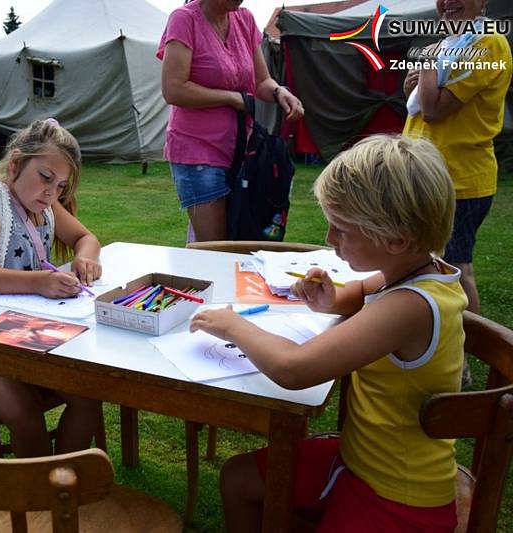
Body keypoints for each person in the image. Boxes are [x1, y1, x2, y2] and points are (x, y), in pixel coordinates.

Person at [190, 135, 467, 532]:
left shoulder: (412, 306)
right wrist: (328, 298)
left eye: (341, 230)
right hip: (361, 461)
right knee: (238, 478)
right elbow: (354, 296)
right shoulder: (415, 271)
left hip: (399, 497)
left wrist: (234, 325)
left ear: (396, 240)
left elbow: (294, 369)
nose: (329, 241)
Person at [0, 118, 103, 458]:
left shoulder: (46, 205)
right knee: (24, 412)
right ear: (16, 164)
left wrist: (85, 257)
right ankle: (34, 498)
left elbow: (85, 237)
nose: (51, 193)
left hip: (31, 341)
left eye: (61, 186)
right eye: (45, 177)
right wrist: (39, 283)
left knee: (89, 397)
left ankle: (65, 486)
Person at [402, 0, 512, 385]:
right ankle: (431, 342)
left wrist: (428, 65)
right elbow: (418, 98)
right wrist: (414, 79)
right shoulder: (455, 41)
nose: (447, 2)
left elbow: (434, 109)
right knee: (426, 262)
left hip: (459, 178)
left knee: (456, 267)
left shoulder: (488, 45)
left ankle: (463, 357)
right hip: (427, 172)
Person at [157, 0, 304, 242]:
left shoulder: (244, 19)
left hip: (241, 152)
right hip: (198, 152)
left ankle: (198, 277)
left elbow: (261, 82)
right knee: (216, 248)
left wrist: (280, 93)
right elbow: (173, 90)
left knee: (240, 237)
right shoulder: (184, 20)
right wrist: (232, 98)